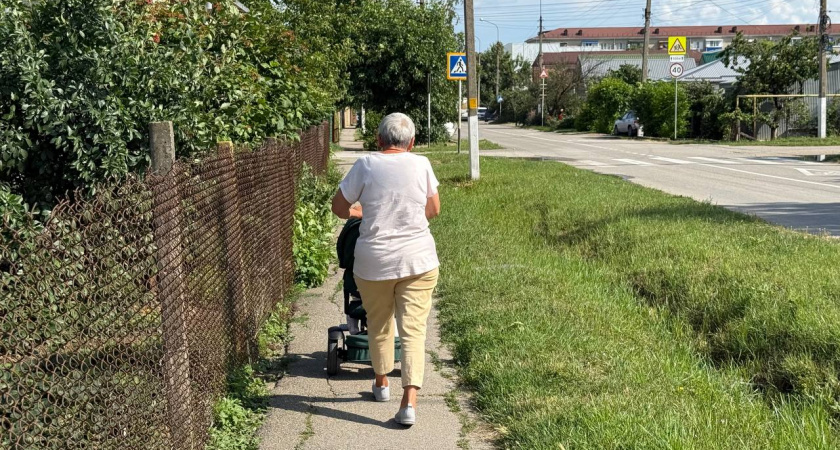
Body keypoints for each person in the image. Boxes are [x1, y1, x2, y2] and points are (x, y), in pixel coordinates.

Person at [331, 112, 441, 427]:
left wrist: (362, 212)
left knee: (379, 324)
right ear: (412, 142)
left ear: (378, 139)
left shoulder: (365, 165)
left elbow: (339, 208)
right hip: (418, 261)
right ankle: (409, 403)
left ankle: (381, 384)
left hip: (373, 263)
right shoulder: (422, 164)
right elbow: (433, 209)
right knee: (414, 330)